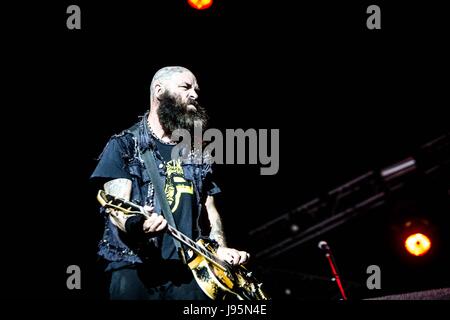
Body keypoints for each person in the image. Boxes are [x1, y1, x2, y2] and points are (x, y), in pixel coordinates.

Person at [90, 66, 250, 300]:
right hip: (135, 269)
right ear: (159, 91)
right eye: (186, 87)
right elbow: (117, 208)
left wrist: (220, 249)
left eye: (196, 89)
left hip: (191, 269)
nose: (194, 94)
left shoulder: (197, 152)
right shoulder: (125, 145)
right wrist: (138, 225)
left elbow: (210, 210)